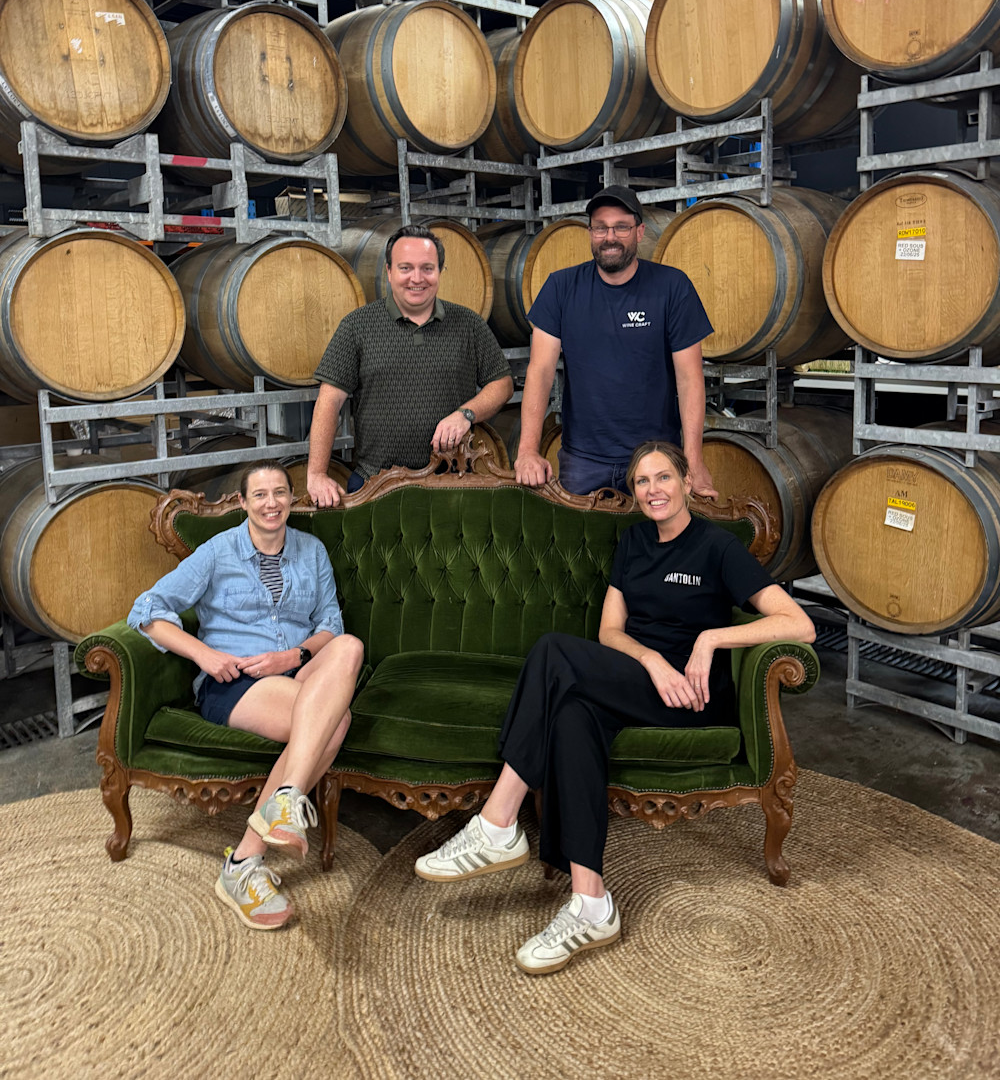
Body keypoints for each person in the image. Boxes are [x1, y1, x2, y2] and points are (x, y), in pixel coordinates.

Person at [415, 440, 814, 975]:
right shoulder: (632, 545)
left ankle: (497, 820)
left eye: (664, 478)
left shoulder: (718, 548)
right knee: (573, 715)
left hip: (691, 697)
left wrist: (709, 641)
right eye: (643, 482)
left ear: (686, 482)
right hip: (641, 679)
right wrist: (651, 660)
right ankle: (591, 903)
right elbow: (609, 632)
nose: (654, 490)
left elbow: (799, 625)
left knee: (554, 650)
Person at [127, 463, 364, 931]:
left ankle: (276, 813)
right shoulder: (217, 553)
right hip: (235, 682)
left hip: (296, 671)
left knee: (350, 647)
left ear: (290, 500)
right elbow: (147, 609)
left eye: (280, 493)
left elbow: (329, 627)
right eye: (260, 495)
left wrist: (290, 656)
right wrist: (206, 655)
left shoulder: (311, 551)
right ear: (242, 503)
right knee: (336, 723)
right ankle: (248, 855)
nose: (272, 503)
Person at [514, 185, 717, 498]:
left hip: (656, 459)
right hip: (583, 460)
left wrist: (694, 459)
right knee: (581, 546)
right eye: (600, 227)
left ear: (639, 232)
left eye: (621, 227)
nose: (610, 237)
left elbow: (690, 379)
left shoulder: (672, 287)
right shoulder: (561, 287)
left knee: (658, 545)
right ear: (590, 232)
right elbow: (540, 371)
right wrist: (527, 450)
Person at [308, 224, 514, 506]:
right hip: (375, 484)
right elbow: (329, 401)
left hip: (452, 481)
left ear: (440, 272)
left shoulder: (469, 324)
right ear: (389, 272)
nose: (417, 278)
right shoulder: (357, 326)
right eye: (406, 268)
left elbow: (502, 384)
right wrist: (317, 473)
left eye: (427, 268)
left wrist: (466, 414)